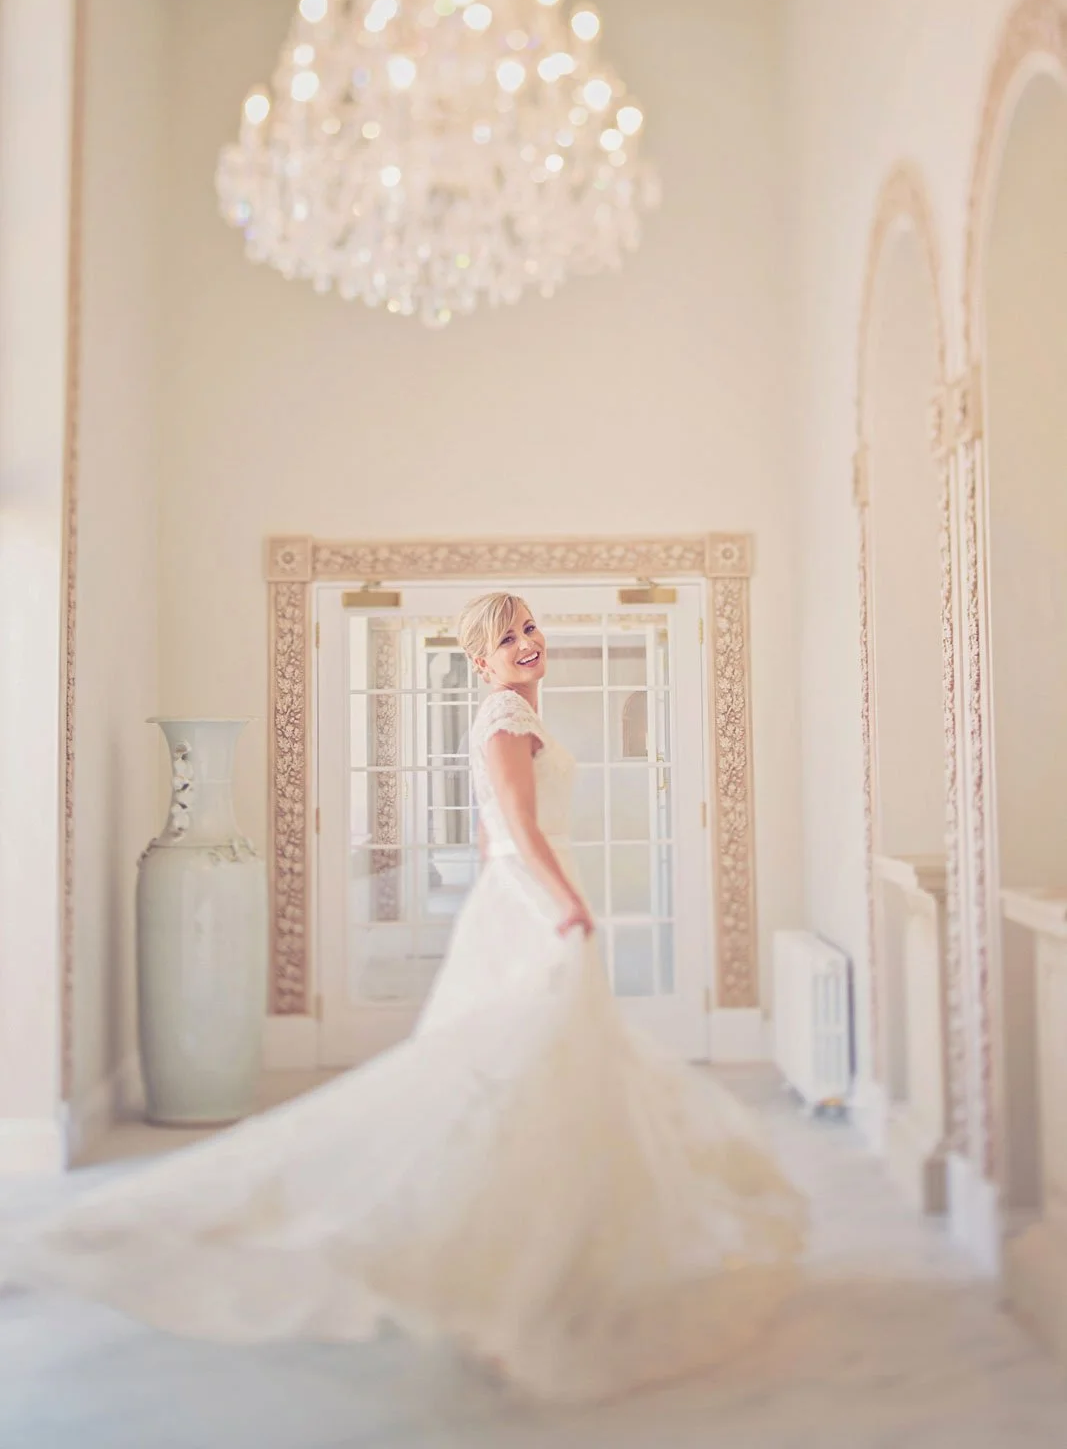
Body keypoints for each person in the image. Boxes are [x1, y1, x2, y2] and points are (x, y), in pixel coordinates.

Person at [8, 592, 806, 1403]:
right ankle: (506, 1277)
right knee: (514, 1081)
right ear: (481, 661)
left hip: (527, 896)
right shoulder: (503, 719)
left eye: (528, 627)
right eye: (506, 637)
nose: (526, 642)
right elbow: (517, 834)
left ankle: (541, 1265)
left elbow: (510, 835)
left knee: (543, 1082)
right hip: (532, 903)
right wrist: (566, 904)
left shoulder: (518, 714)